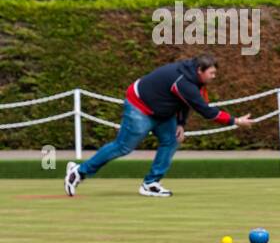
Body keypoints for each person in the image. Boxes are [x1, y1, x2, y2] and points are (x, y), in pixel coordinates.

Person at [64, 54, 252, 197]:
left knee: (171, 141)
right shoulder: (184, 82)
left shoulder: (193, 80)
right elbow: (205, 110)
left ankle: (151, 183)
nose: (214, 76)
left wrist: (180, 123)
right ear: (199, 70)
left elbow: (185, 102)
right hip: (139, 106)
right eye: (212, 73)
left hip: (162, 111)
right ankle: (79, 172)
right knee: (123, 147)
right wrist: (236, 121)